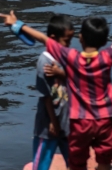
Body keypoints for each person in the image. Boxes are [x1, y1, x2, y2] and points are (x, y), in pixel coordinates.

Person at [0, 0, 112, 170]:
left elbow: (43, 39)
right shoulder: (108, 56)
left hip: (80, 121)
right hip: (106, 118)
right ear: (104, 42)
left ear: (80, 38)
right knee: (104, 161)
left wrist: (17, 24)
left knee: (77, 162)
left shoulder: (72, 58)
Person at [32, 14, 75, 170]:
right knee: (41, 164)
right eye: (66, 41)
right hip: (48, 126)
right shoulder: (45, 63)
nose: (69, 45)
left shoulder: (64, 58)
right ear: (53, 39)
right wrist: (53, 122)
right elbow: (46, 97)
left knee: (75, 162)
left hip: (66, 121)